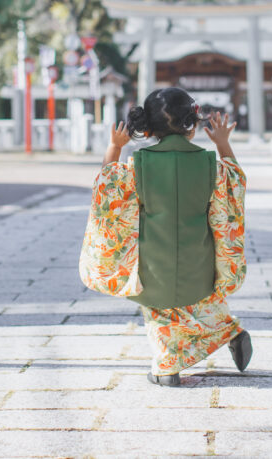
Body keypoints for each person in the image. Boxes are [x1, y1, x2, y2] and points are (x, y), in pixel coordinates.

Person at [79, 88, 252, 386]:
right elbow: (235, 181)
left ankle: (167, 367)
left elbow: (108, 188)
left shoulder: (138, 165)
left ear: (147, 129)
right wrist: (223, 143)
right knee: (202, 300)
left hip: (152, 263)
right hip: (199, 259)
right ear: (192, 125)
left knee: (160, 311)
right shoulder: (209, 164)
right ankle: (228, 330)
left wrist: (114, 147)